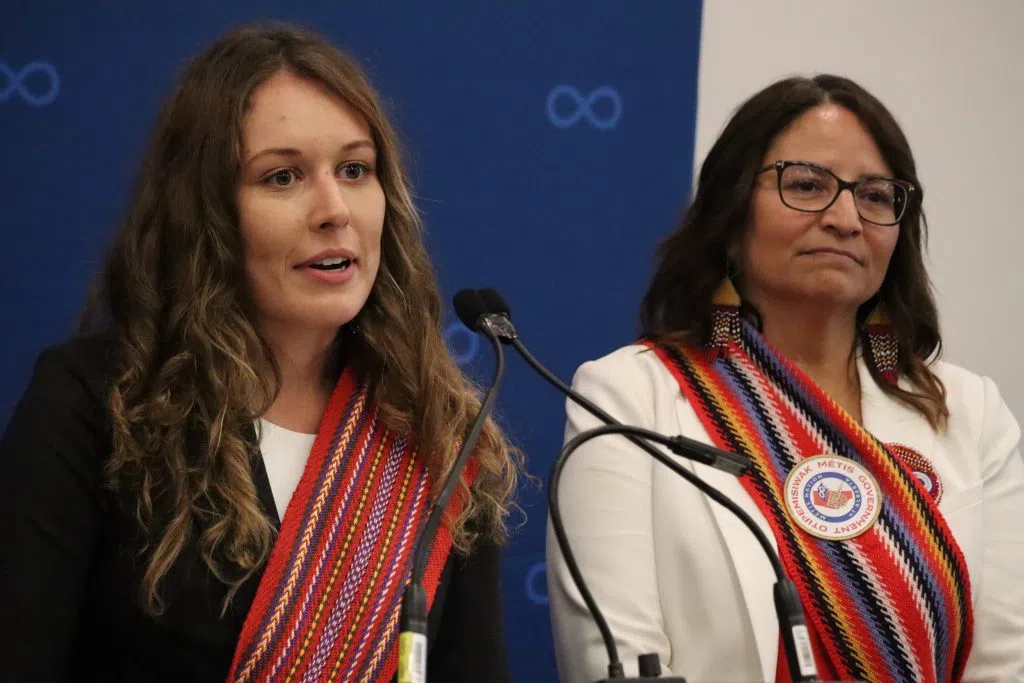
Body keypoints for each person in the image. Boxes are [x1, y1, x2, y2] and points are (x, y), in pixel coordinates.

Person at [0, 22, 522, 683]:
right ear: (207, 213)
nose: (335, 209)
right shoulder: (92, 406)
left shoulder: (437, 433)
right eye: (282, 177)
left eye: (355, 169)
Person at [547, 74, 1024, 682]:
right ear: (730, 212)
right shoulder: (629, 397)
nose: (847, 218)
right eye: (807, 185)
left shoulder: (971, 413)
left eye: (876, 196)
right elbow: (611, 661)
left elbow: (1005, 664)